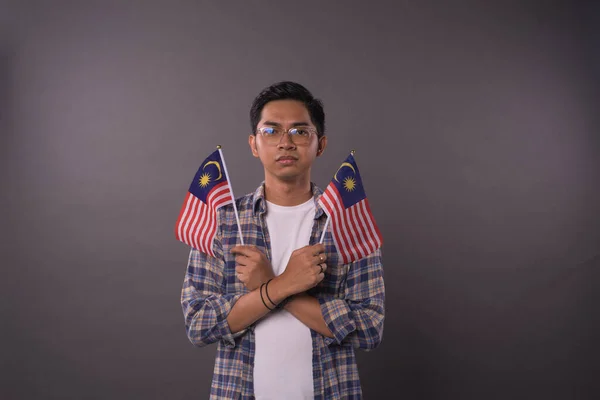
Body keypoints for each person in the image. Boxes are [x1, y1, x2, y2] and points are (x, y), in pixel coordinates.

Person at [181, 81, 385, 399]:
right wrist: (283, 285)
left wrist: (273, 288)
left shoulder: (346, 221)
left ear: (320, 144)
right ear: (253, 144)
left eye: (300, 132)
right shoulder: (224, 222)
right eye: (271, 131)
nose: (286, 143)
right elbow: (198, 323)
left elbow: (370, 327)